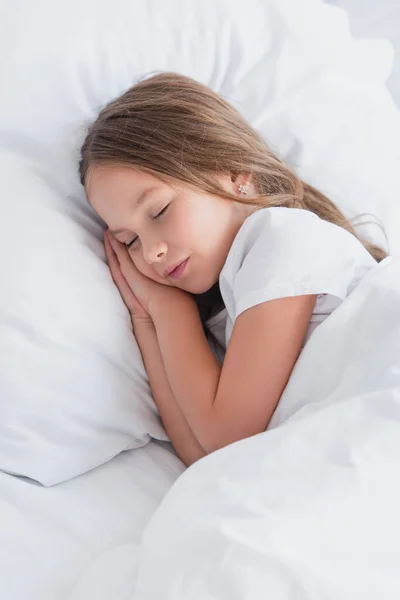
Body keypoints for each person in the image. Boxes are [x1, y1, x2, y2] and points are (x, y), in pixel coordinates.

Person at [79, 72, 387, 466]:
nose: (152, 252)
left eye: (159, 211)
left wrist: (168, 311)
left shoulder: (283, 239)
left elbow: (224, 438)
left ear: (234, 169)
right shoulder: (228, 306)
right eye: (129, 241)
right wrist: (145, 316)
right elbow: (201, 456)